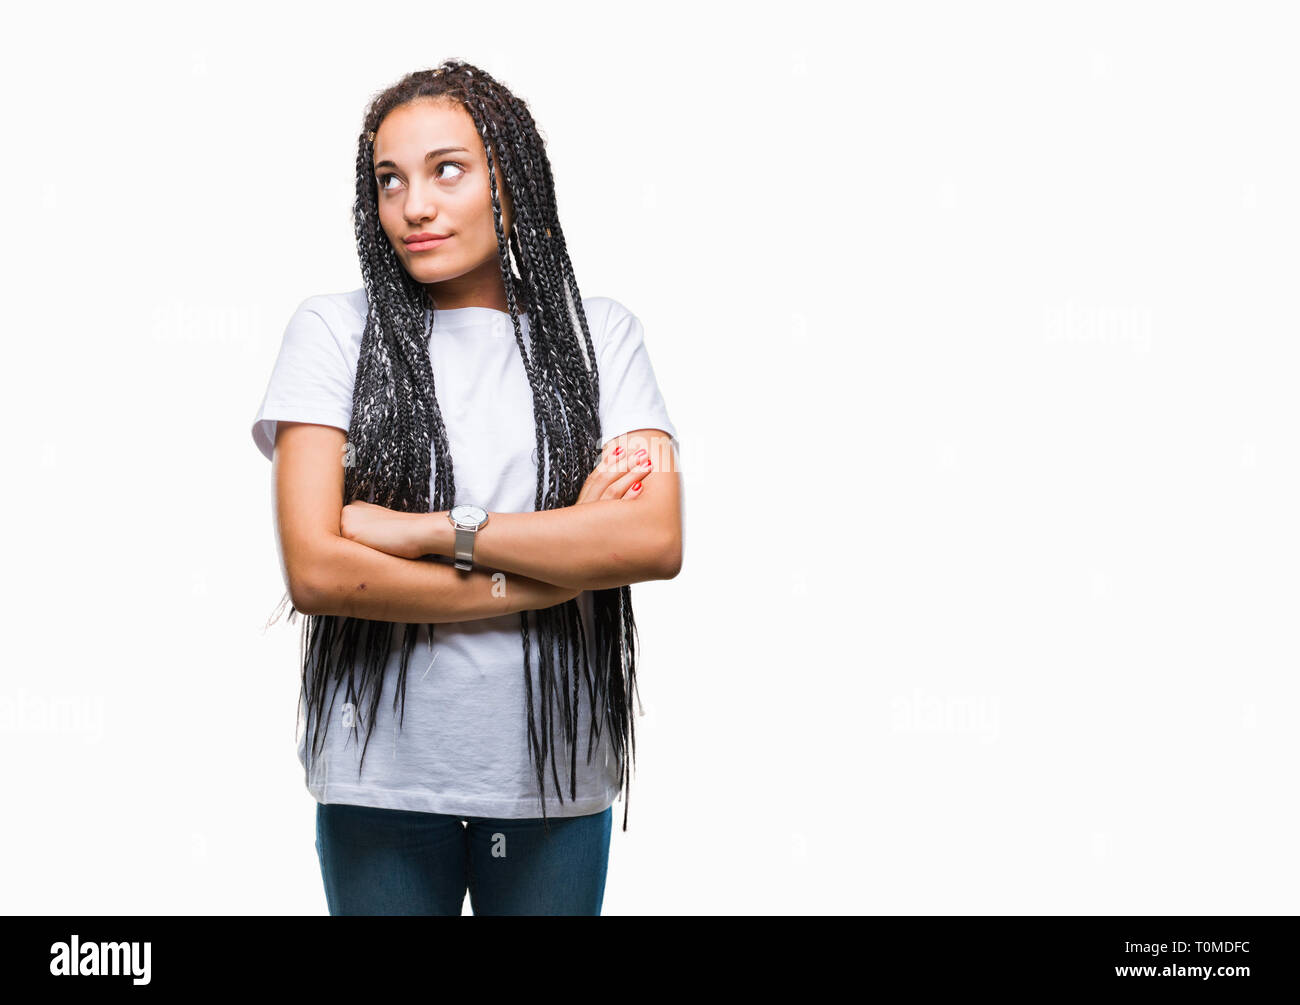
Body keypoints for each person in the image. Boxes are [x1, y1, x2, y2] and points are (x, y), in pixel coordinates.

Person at [249, 60, 683, 916]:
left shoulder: (603, 336)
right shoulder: (334, 331)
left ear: (510, 184)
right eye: (389, 180)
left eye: (447, 169)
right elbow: (318, 571)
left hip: (549, 776)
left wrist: (423, 531)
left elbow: (651, 541)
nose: (413, 205)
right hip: (380, 776)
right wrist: (558, 565)